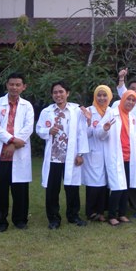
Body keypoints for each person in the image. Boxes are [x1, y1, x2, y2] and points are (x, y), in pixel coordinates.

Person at [36, 81, 89, 229]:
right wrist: (48, 131)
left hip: (71, 156)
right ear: (52, 95)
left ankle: (73, 216)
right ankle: (54, 219)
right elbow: (39, 129)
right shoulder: (47, 111)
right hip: (53, 157)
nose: (58, 95)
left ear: (67, 93)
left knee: (72, 188)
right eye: (55, 92)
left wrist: (80, 154)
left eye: (61, 92)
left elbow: (81, 132)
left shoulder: (76, 110)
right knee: (52, 189)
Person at [0, 73, 34, 232]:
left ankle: (20, 220)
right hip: (0, 155)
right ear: (6, 85)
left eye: (18, 84)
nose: (14, 87)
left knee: (20, 189)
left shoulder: (27, 106)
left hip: (18, 153)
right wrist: (11, 140)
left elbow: (28, 127)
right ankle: (0, 222)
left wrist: (13, 145)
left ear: (23, 87)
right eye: (11, 84)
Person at [97, 90, 136, 227]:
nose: (130, 102)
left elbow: (135, 140)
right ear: (123, 99)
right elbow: (98, 133)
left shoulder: (132, 117)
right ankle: (112, 215)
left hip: (129, 157)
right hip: (116, 156)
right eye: (128, 99)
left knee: (126, 187)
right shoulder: (112, 113)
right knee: (117, 187)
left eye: (133, 100)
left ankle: (122, 214)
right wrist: (105, 129)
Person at [81, 85, 113, 222]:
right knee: (93, 183)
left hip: (108, 151)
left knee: (104, 182)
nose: (101, 98)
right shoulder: (89, 111)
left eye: (104, 95)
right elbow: (85, 134)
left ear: (109, 96)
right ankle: (91, 211)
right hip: (93, 151)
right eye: (99, 95)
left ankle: (101, 211)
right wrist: (89, 121)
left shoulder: (112, 112)